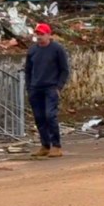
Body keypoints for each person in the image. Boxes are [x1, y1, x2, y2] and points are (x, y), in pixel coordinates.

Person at [25, 23, 70, 158]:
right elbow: (28, 71)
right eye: (37, 34)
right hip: (35, 88)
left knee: (50, 115)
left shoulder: (57, 49)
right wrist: (29, 87)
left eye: (42, 34)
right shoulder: (32, 51)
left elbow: (64, 70)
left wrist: (58, 87)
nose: (39, 37)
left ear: (49, 35)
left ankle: (56, 146)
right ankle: (45, 145)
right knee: (39, 118)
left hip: (51, 88)